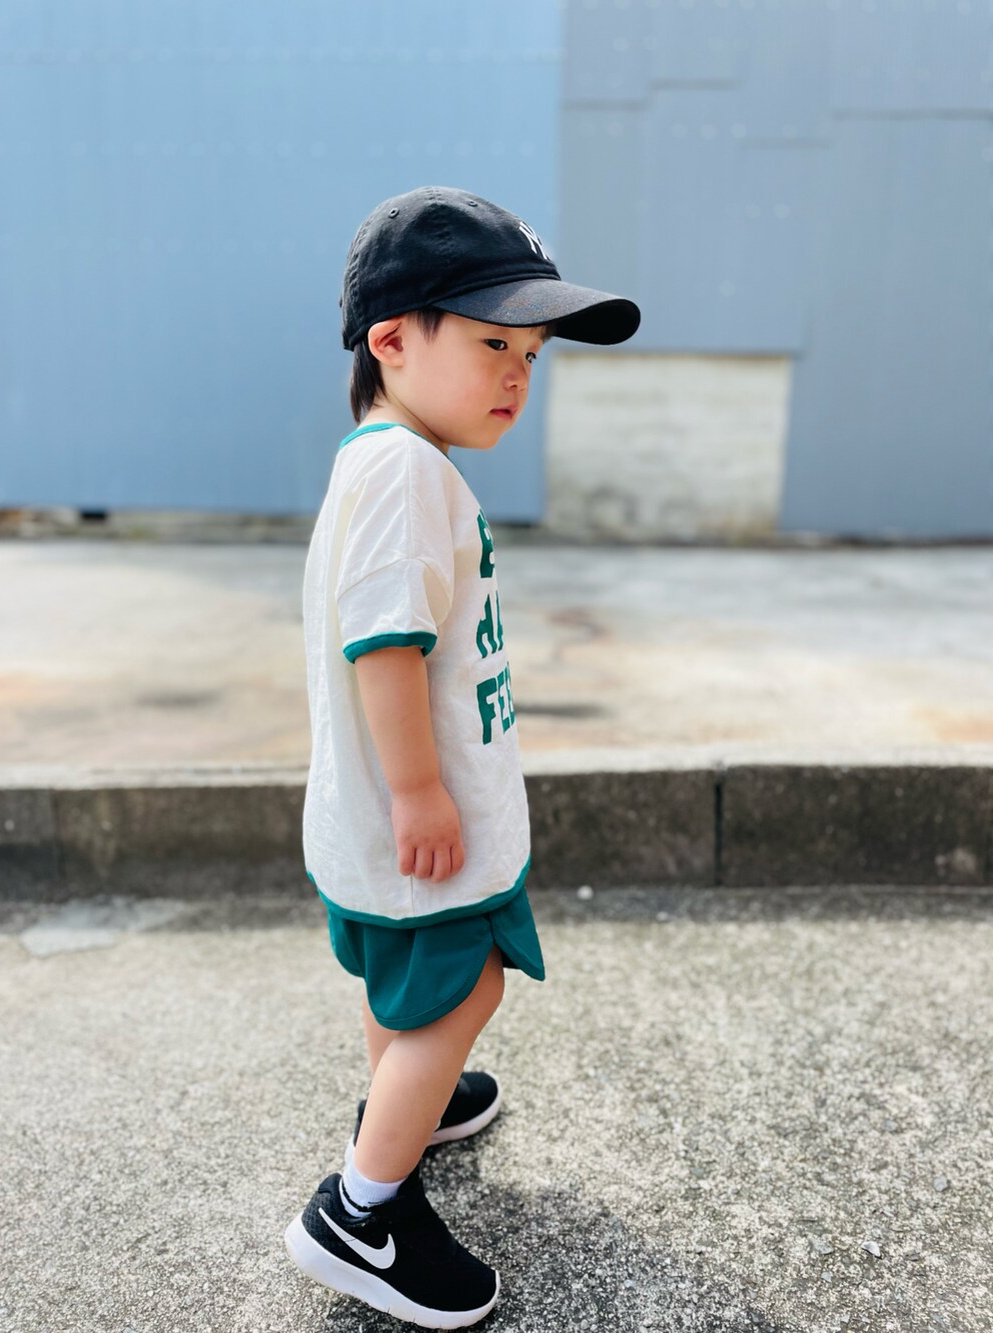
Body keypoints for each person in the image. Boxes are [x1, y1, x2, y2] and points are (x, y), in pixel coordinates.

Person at [284, 185, 640, 1328]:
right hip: (414, 821)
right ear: (392, 340)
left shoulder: (389, 458)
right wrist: (421, 791)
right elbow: (385, 644)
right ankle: (361, 1212)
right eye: (493, 343)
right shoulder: (403, 472)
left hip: (382, 825)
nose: (516, 376)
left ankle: (413, 1104)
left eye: (531, 356)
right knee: (463, 984)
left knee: (409, 992)